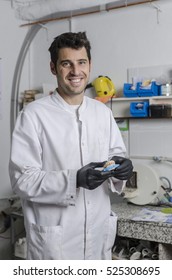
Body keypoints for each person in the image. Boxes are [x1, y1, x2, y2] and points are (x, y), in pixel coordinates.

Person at [9, 31, 133, 260]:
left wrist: (122, 169)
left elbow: (115, 156)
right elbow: (21, 180)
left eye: (81, 62)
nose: (76, 72)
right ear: (53, 68)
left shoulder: (102, 113)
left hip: (97, 237)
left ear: (90, 64)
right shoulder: (33, 115)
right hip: (55, 243)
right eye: (67, 64)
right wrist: (73, 180)